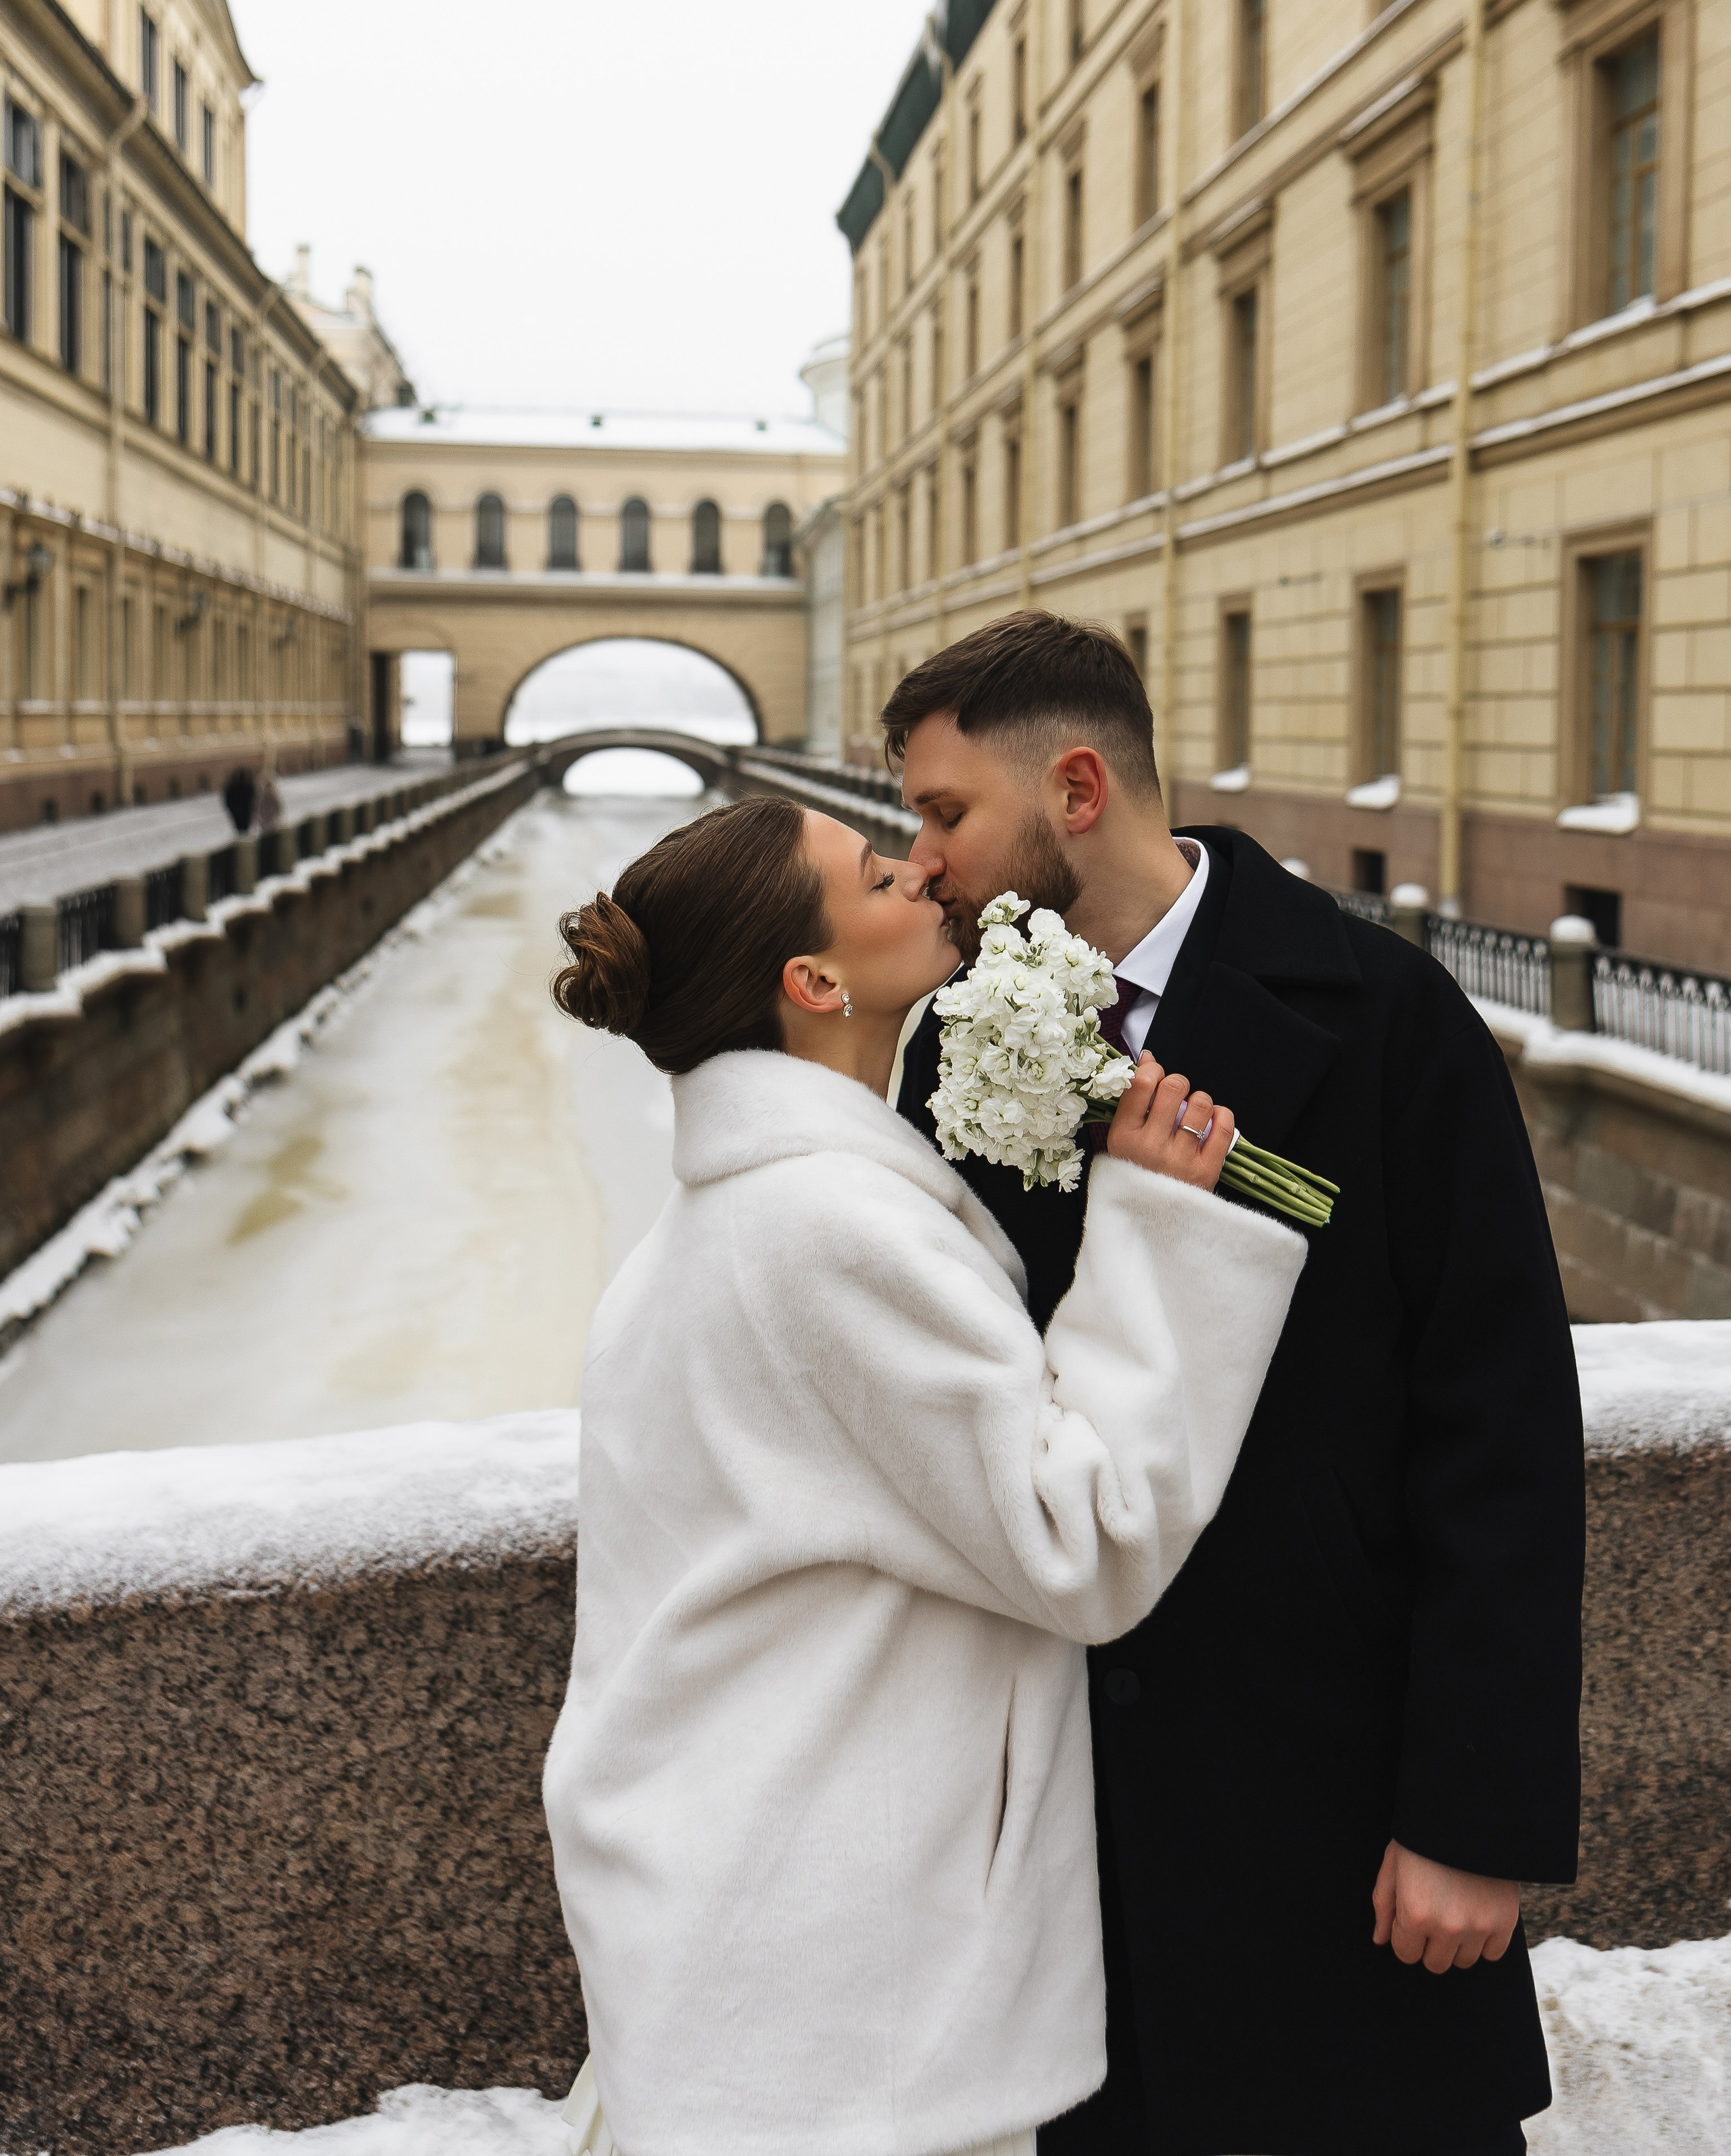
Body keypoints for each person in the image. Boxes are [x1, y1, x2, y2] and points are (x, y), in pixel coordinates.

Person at [884, 613, 1585, 2156]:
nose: (919, 858)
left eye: (942, 812)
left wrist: (1471, 1814)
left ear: (1074, 786)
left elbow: (1499, 1432)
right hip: (1073, 1813)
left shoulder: (1387, 1016)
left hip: (1333, 1792)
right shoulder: (946, 1045)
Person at [541, 793, 1307, 2156]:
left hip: (756, 1910)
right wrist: (1160, 1228)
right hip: (833, 1964)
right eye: (881, 873)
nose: (928, 875)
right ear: (815, 980)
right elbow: (1078, 1540)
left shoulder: (723, 1222)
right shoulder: (823, 1226)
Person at [222, 765, 256, 835]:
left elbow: (228, 800)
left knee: (240, 829)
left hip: (237, 812)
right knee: (244, 829)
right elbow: (254, 798)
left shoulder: (232, 788)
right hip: (245, 811)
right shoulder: (248, 787)